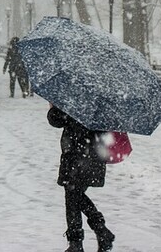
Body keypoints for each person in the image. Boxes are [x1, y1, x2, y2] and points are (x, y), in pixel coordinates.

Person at [47, 105, 114, 252]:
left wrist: (54, 108)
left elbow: (56, 120)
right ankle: (99, 233)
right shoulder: (102, 101)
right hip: (94, 152)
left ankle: (79, 242)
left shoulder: (74, 97)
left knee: (72, 195)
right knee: (74, 195)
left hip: (76, 154)